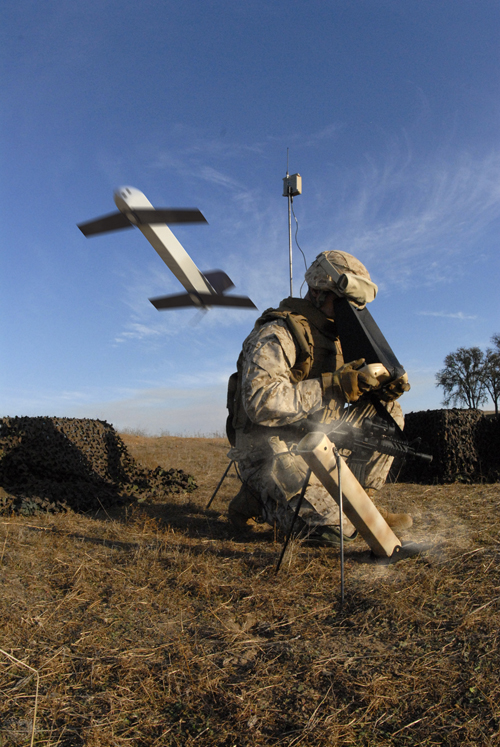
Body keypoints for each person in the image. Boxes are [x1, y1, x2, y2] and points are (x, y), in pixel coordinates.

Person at [225, 250, 412, 546]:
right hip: (270, 449)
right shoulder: (278, 333)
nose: (352, 311)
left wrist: (379, 389)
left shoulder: (335, 338)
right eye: (345, 302)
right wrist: (333, 386)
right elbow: (260, 401)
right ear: (316, 292)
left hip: (318, 440)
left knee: (388, 410)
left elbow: (354, 396)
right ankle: (255, 496)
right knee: (336, 533)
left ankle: (363, 504)